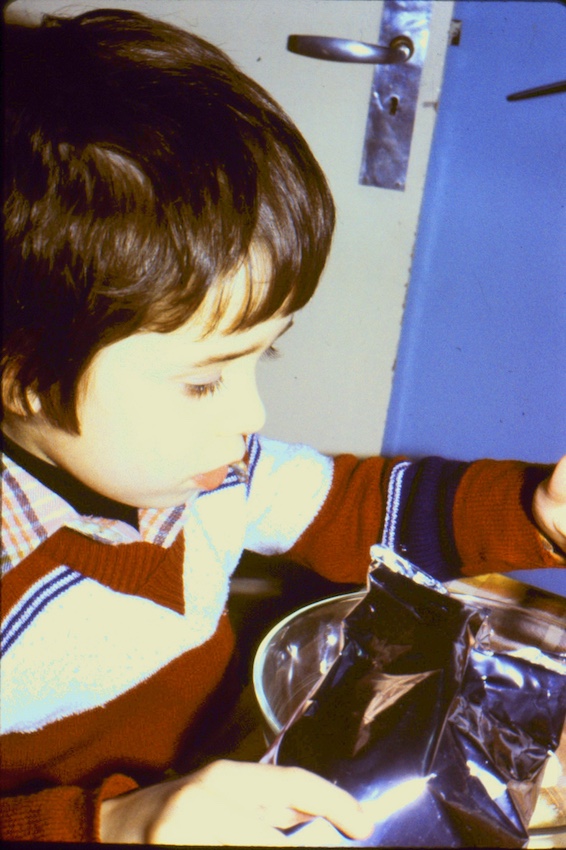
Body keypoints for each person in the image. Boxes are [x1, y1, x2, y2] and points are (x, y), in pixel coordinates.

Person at [1, 8, 564, 845]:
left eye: (264, 356)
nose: (252, 416)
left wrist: (530, 509)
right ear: (21, 374)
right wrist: (109, 825)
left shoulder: (209, 468)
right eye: (203, 381)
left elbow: (357, 505)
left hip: (228, 765)